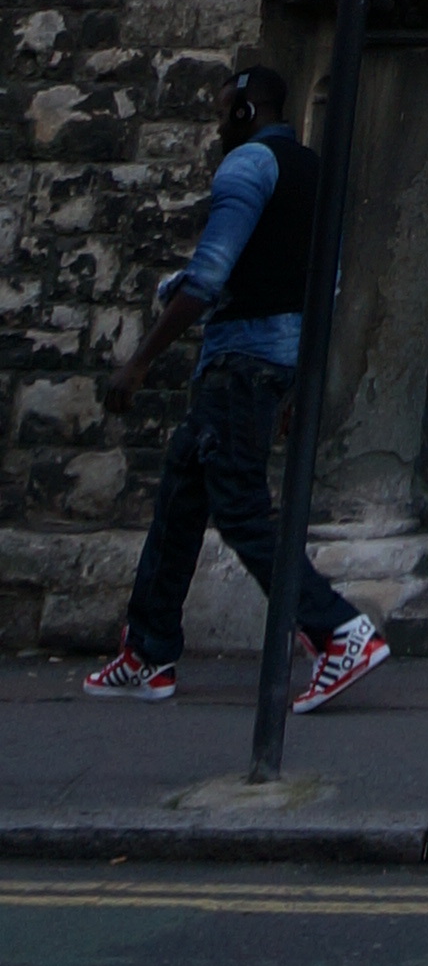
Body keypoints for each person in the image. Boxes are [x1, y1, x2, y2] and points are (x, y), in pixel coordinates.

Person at [80, 63, 388, 709]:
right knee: (180, 499)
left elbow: (208, 276)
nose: (218, 126)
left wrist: (139, 362)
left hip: (239, 362)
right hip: (272, 361)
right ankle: (147, 651)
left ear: (247, 111)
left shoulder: (246, 166)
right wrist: (299, 378)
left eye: (224, 112)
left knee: (242, 508)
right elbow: (325, 284)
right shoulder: (317, 171)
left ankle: (338, 631)